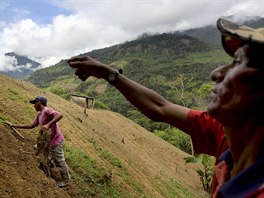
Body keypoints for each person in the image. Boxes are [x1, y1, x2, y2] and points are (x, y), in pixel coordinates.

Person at [68, 18, 264, 197]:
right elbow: (160, 107)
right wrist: (108, 73)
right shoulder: (228, 134)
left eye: (238, 61)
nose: (216, 73)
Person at [12, 96, 70, 188]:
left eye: (35, 103)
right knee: (38, 149)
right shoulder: (39, 115)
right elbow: (31, 125)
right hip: (47, 141)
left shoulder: (47, 110)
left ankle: (66, 181)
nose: (34, 106)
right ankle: (48, 165)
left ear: (39, 103)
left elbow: (59, 115)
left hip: (56, 140)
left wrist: (48, 124)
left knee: (59, 160)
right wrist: (15, 125)